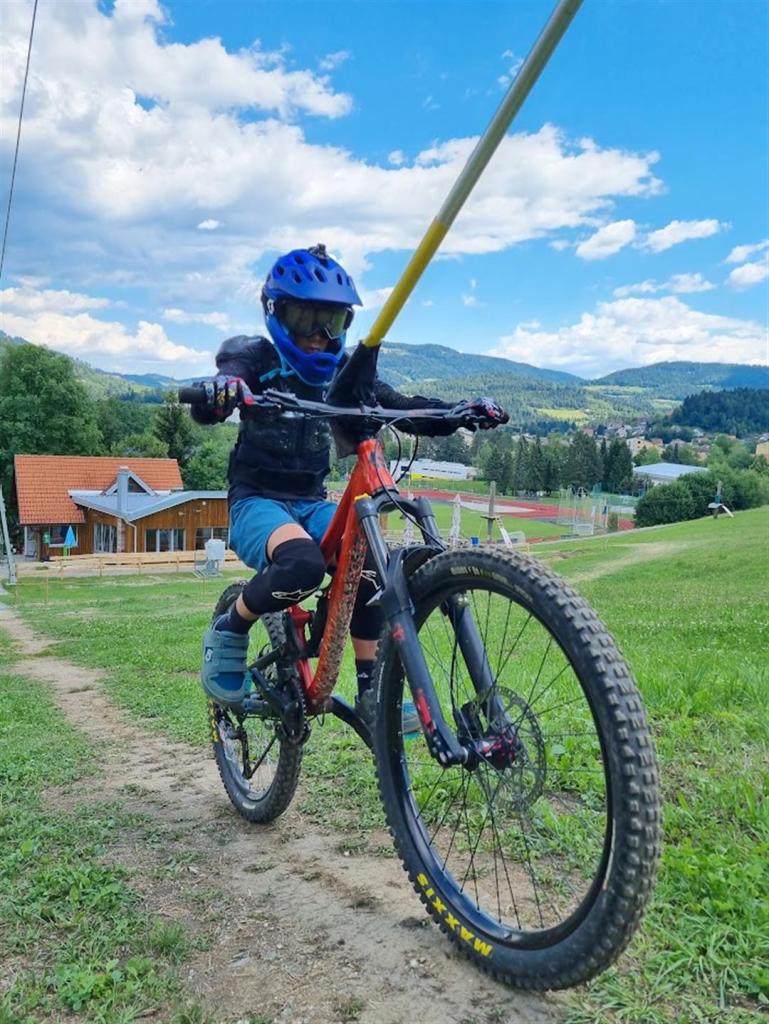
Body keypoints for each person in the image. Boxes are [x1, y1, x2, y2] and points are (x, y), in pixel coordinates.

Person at [191, 244, 508, 727]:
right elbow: (221, 388)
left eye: (333, 323)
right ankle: (231, 625)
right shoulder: (254, 357)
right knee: (302, 565)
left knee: (372, 566)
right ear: (277, 313)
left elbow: (401, 407)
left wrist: (457, 413)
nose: (319, 337)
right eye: (305, 320)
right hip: (257, 501)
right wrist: (222, 392)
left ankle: (371, 686)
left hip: (311, 502)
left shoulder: (343, 376)